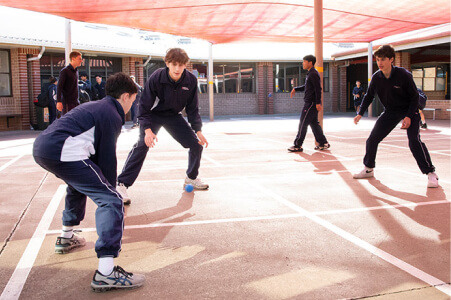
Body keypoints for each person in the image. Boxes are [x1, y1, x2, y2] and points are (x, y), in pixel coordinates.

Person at [33, 73, 145, 292]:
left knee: (78, 184)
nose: (133, 105)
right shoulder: (111, 114)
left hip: (44, 148)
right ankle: (106, 273)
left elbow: (94, 161)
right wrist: (111, 192)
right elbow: (106, 159)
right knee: (112, 201)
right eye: (133, 99)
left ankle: (66, 237)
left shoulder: (98, 107)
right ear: (125, 97)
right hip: (61, 150)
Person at [116, 48, 209, 205]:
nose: (177, 69)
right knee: (141, 145)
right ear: (167, 63)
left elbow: (193, 108)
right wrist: (147, 130)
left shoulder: (190, 81)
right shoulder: (157, 77)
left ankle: (191, 179)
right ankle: (121, 184)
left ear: (186, 65)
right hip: (153, 115)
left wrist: (198, 130)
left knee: (196, 145)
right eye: (174, 64)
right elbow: (144, 107)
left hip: (173, 116)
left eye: (181, 65)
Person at [353, 45, 438, 188]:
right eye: (378, 59)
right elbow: (369, 96)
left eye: (383, 59)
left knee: (414, 141)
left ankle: (431, 173)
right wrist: (360, 113)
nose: (379, 63)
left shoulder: (403, 75)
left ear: (391, 59)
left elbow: (414, 97)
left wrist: (409, 116)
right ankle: (368, 169)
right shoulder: (376, 77)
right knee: (372, 139)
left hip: (410, 109)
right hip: (391, 111)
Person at [288, 54, 330, 152]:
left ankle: (298, 145)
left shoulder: (313, 74)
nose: (303, 64)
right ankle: (323, 143)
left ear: (310, 63)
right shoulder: (310, 73)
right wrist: (295, 88)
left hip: (311, 103)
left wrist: (318, 103)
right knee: (314, 123)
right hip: (310, 103)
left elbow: (318, 89)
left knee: (303, 123)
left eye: (304, 62)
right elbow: (307, 87)